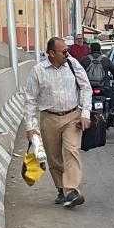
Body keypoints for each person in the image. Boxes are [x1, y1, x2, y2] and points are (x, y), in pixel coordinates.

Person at [24, 37, 92, 209]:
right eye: (63, 52)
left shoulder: (73, 64)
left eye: (67, 50)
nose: (67, 54)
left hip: (72, 116)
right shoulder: (38, 71)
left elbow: (85, 87)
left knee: (71, 151)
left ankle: (72, 190)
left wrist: (85, 113)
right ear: (51, 53)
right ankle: (61, 190)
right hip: (49, 118)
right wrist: (31, 127)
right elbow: (30, 100)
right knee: (54, 158)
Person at [80, 42, 114, 110]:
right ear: (100, 49)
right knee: (113, 100)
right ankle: (111, 114)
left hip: (88, 87)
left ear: (90, 49)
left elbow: (79, 74)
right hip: (104, 87)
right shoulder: (105, 60)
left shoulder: (84, 59)